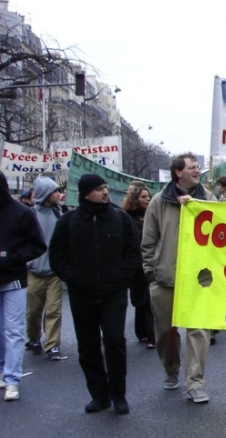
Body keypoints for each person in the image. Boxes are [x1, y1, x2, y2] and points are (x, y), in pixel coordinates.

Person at [50, 175, 140, 414]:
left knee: (114, 340)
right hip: (82, 294)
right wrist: (73, 277)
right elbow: (57, 257)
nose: (105, 192)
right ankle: (99, 395)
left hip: (113, 293)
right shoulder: (69, 222)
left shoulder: (119, 218)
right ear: (86, 193)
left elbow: (133, 252)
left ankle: (118, 394)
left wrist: (122, 277)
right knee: (88, 346)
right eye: (100, 189)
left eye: (105, 187)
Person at [142, 153, 217, 403]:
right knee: (166, 332)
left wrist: (198, 207)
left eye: (198, 167)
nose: (197, 171)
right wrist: (151, 272)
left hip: (199, 281)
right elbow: (149, 241)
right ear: (178, 172)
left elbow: (221, 232)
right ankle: (171, 368)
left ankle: (195, 382)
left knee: (199, 332)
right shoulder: (158, 202)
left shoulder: (208, 199)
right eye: (192, 167)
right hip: (166, 279)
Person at [0, 174, 46, 402]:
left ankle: (12, 379)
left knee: (13, 330)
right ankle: (2, 370)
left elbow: (38, 245)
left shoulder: (22, 213)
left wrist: (13, 258)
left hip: (14, 280)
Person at [25, 176, 66, 361]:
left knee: (54, 309)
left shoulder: (59, 215)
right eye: (55, 191)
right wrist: (28, 263)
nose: (58, 194)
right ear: (45, 194)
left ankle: (53, 345)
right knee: (33, 311)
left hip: (54, 272)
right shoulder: (30, 215)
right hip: (33, 271)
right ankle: (34, 338)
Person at [122, 183, 156, 349]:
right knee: (139, 300)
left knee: (150, 300)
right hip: (135, 265)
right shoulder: (126, 217)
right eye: (143, 197)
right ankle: (141, 331)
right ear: (135, 199)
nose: (147, 199)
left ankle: (152, 336)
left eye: (148, 197)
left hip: (151, 262)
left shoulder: (153, 215)